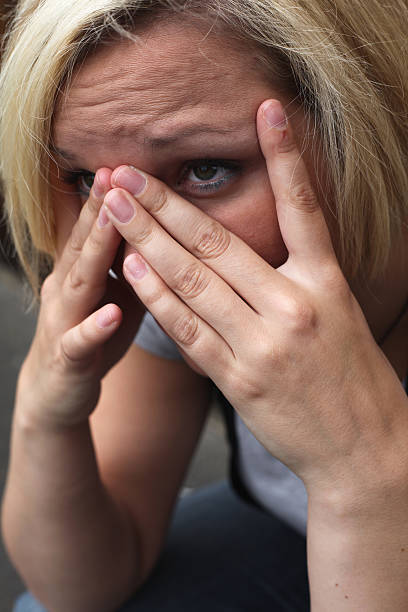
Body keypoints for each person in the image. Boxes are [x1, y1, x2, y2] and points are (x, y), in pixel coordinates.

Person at [1, 1, 408, 610]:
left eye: (206, 168)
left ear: (373, 126)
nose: (140, 240)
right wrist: (45, 409)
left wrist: (365, 473)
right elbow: (78, 588)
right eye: (88, 181)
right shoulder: (161, 271)